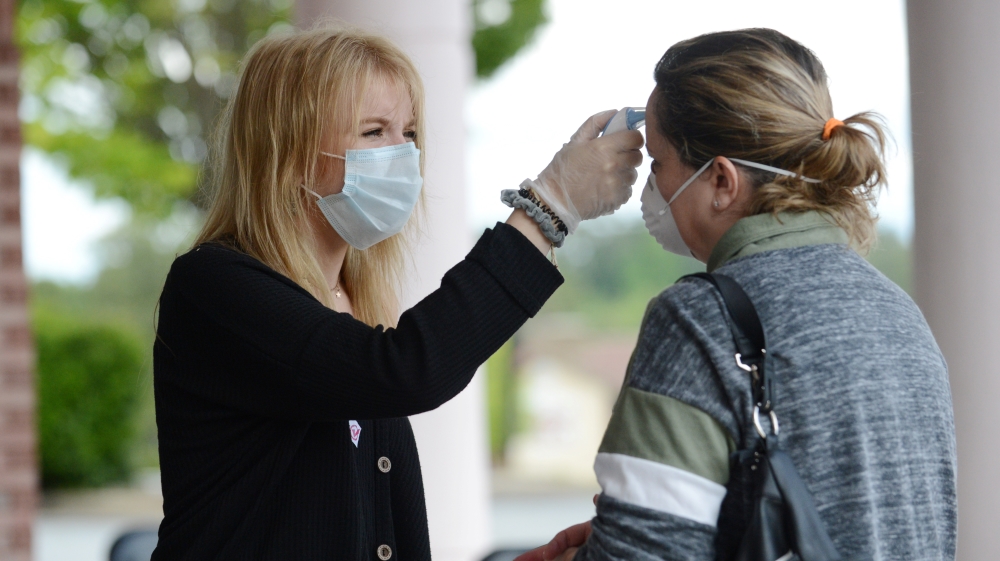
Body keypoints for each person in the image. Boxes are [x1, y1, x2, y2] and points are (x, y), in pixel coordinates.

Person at [150, 25, 643, 560]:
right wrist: (548, 206)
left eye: (408, 132)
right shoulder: (214, 287)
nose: (403, 153)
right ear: (287, 153)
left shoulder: (354, 300)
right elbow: (406, 371)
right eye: (373, 131)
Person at [521, 28, 956, 561]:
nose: (650, 187)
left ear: (722, 181)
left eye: (657, 164)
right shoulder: (899, 314)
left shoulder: (701, 320)